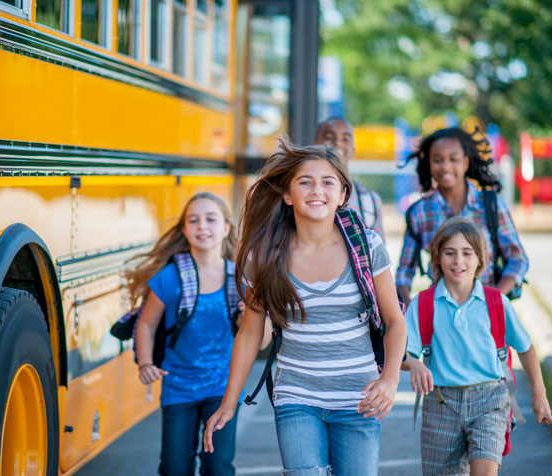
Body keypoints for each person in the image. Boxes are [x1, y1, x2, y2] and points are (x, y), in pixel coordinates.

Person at [203, 141, 407, 476]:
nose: (317, 190)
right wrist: (229, 402)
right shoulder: (265, 255)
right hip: (296, 396)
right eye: (305, 181)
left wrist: (389, 381)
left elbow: (394, 321)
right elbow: (251, 332)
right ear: (287, 195)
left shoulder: (366, 247)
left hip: (359, 398)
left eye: (328, 182)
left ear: (342, 195)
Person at [404, 217, 552, 476]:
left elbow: (526, 347)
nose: (458, 261)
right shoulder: (423, 304)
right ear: (437, 257)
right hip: (441, 403)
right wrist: (414, 363)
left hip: (490, 399)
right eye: (449, 253)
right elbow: (402, 352)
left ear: (480, 259)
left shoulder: (496, 302)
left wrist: (539, 394)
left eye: (467, 253)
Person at [131, 192, 242, 476]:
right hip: (178, 387)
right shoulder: (171, 277)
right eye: (193, 220)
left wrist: (247, 314)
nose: (202, 226)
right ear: (184, 230)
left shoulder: (239, 278)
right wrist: (145, 363)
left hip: (223, 388)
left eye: (210, 219)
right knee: (174, 467)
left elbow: (256, 335)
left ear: (226, 228)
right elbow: (146, 324)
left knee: (217, 466)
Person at [396, 127, 528, 308]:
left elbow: (518, 258)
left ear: (465, 162)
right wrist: (411, 310)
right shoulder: (419, 212)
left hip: (486, 316)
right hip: (440, 316)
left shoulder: (491, 206)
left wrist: (493, 299)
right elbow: (404, 272)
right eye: (437, 160)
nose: (445, 166)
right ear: (429, 164)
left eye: (453, 159)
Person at [315, 117, 385, 241]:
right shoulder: (301, 195)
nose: (338, 142)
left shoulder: (370, 202)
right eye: (329, 137)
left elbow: (378, 255)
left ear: (353, 149)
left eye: (345, 139)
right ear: (314, 144)